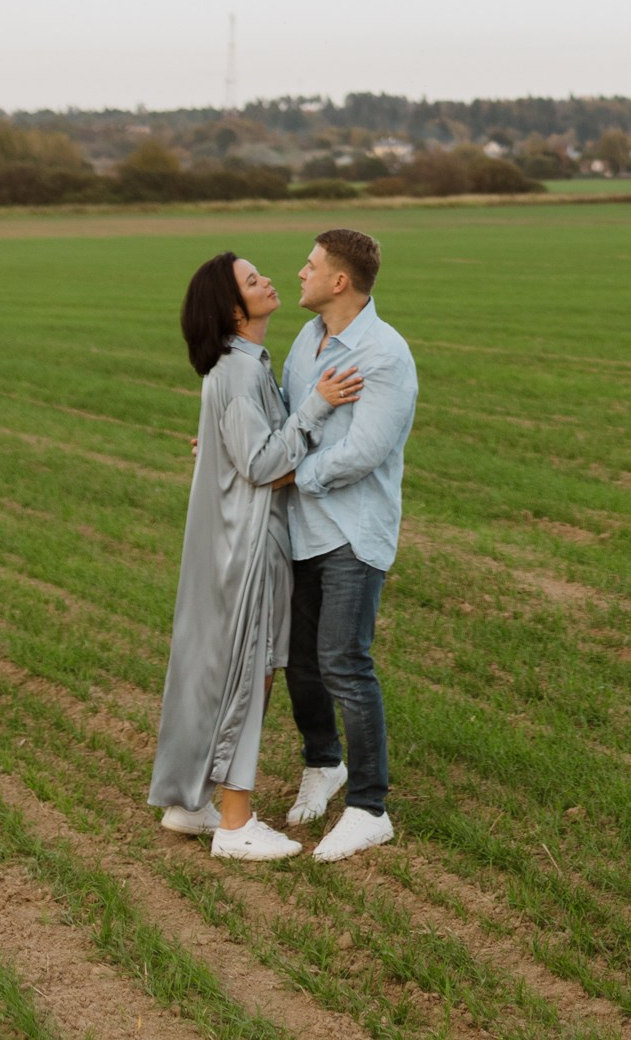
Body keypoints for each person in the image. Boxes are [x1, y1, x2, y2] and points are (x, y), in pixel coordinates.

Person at [148, 250, 366, 861]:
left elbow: (237, 451)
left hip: (226, 540)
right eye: (252, 280)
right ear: (233, 309)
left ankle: (188, 802)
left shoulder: (234, 368)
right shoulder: (241, 373)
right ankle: (236, 823)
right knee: (247, 674)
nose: (268, 279)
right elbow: (264, 465)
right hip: (248, 546)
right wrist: (317, 405)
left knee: (210, 670)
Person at [276, 227, 419, 861]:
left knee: (344, 663)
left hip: (352, 533)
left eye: (310, 266)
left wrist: (292, 477)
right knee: (300, 660)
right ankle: (322, 762)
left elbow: (365, 451)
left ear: (340, 281)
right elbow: (288, 420)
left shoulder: (384, 354)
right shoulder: (306, 343)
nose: (299, 274)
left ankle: (369, 807)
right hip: (301, 529)